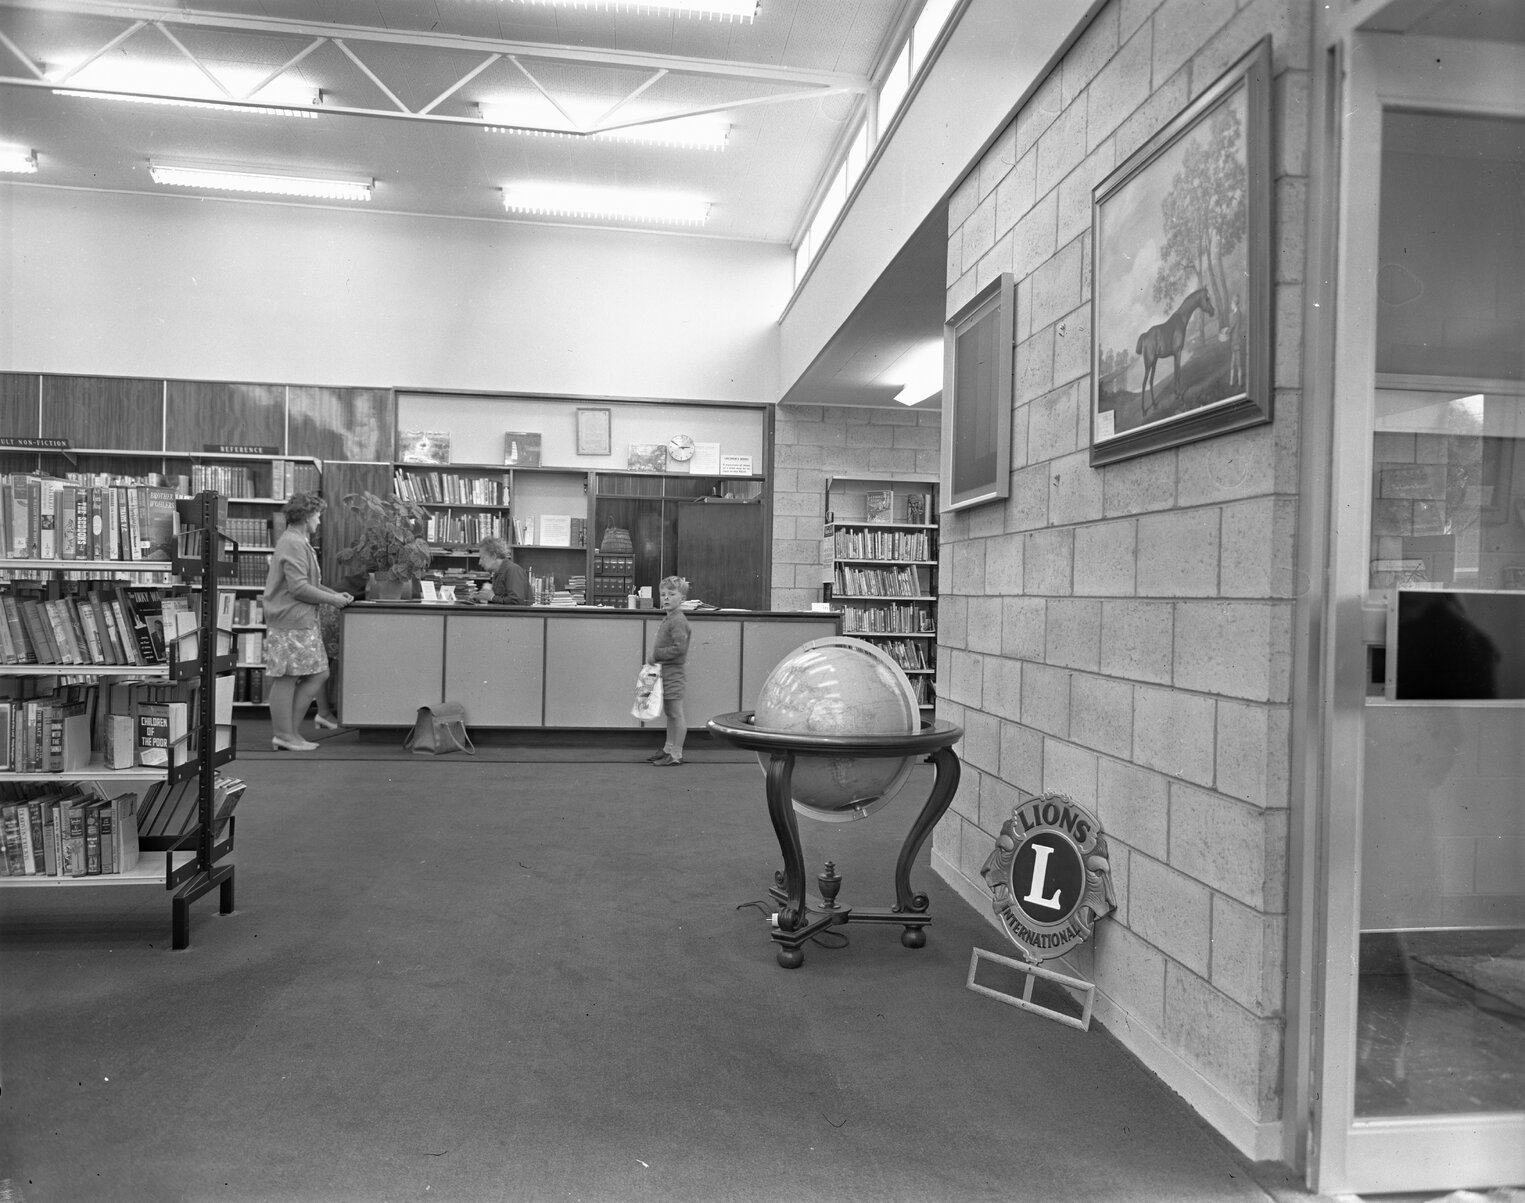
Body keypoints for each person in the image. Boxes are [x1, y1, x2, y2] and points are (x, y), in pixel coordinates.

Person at [262, 492, 354, 751]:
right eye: (318, 516)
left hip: (299, 620)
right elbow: (299, 589)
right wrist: (332, 601)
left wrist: (333, 594)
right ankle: (284, 734)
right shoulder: (293, 543)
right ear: (306, 517)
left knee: (316, 673)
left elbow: (307, 583)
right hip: (291, 620)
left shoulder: (296, 541)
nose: (319, 522)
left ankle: (289, 733)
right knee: (288, 678)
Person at [645, 575, 691, 767]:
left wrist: (656, 654)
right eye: (663, 594)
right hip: (665, 672)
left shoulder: (678, 620)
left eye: (672, 594)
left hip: (673, 673)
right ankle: (668, 749)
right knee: (670, 712)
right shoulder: (670, 618)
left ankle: (676, 753)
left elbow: (679, 649)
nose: (666, 598)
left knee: (675, 713)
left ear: (682, 598)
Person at [476, 535, 531, 605]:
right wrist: (481, 597)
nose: (480, 562)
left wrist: (492, 597)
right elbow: (500, 600)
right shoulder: (498, 573)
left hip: (517, 615)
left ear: (493, 556)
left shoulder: (513, 570)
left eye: (482, 557)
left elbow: (517, 602)